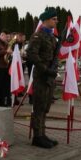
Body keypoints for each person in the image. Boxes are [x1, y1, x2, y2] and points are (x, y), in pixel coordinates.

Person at [26, 8, 59, 148]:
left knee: (45, 106)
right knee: (39, 106)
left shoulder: (52, 37)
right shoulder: (37, 36)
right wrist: (46, 70)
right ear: (45, 20)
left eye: (56, 19)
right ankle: (37, 137)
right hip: (41, 76)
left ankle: (42, 134)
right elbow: (32, 55)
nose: (56, 21)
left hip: (49, 76)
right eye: (54, 19)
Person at [0, 29, 11, 107]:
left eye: (7, 37)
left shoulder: (5, 44)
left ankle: (2, 102)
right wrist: (6, 52)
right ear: (1, 35)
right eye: (5, 36)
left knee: (4, 86)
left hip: (5, 66)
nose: (6, 38)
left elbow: (8, 52)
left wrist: (9, 52)